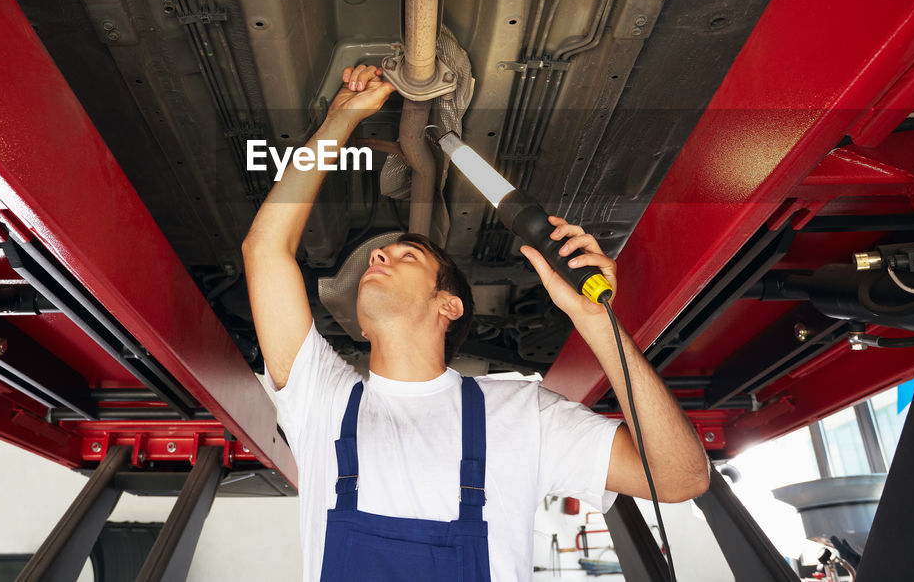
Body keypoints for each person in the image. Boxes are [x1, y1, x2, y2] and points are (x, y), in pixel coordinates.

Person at [242, 64, 710, 581]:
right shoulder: (323, 399)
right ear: (361, 325)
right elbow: (264, 249)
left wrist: (595, 321)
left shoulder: (522, 414)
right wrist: (339, 121)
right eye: (381, 257)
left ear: (450, 305)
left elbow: (679, 478)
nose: (379, 258)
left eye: (406, 256)